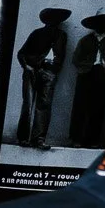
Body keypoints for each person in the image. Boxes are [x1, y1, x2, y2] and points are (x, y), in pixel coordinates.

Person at [16, 8, 71, 149]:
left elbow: (61, 55)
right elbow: (21, 53)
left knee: (44, 104)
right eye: (52, 20)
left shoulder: (62, 35)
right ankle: (23, 138)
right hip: (32, 71)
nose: (54, 23)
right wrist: (27, 67)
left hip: (49, 73)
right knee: (28, 103)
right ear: (46, 21)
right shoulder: (37, 33)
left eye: (57, 20)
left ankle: (38, 139)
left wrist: (54, 70)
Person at [69, 12, 105, 150]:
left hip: (103, 75)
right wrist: (85, 67)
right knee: (80, 106)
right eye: (98, 23)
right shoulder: (85, 40)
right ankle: (76, 139)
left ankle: (92, 140)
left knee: (98, 107)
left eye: (103, 23)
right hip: (85, 75)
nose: (101, 26)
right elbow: (75, 59)